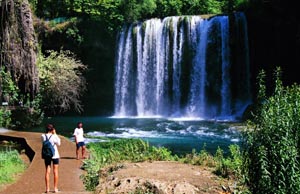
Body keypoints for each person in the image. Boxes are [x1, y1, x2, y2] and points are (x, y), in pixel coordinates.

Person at [41, 124, 61, 193]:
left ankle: (47, 189)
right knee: (55, 171)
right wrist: (55, 133)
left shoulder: (43, 136)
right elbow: (59, 143)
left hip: (47, 155)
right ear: (52, 129)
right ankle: (55, 188)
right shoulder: (54, 136)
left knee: (47, 171)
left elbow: (43, 143)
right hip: (55, 155)